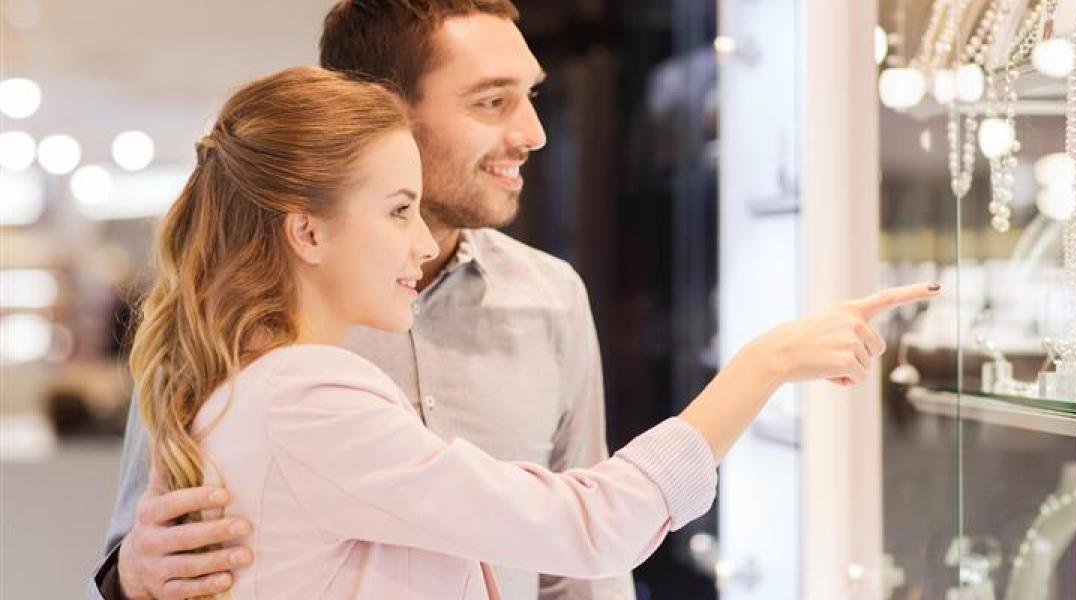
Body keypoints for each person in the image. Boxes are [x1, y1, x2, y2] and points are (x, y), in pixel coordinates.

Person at [111, 65, 938, 600]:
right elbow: (587, 524)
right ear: (309, 232)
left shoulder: (257, 385)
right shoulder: (307, 393)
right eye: (397, 211)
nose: (423, 240)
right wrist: (764, 365)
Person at [91, 2, 633, 598]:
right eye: (491, 102)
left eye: (530, 95)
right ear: (385, 107)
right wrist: (134, 577)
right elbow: (141, 548)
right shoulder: (230, 317)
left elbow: (583, 569)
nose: (533, 133)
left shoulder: (551, 298)